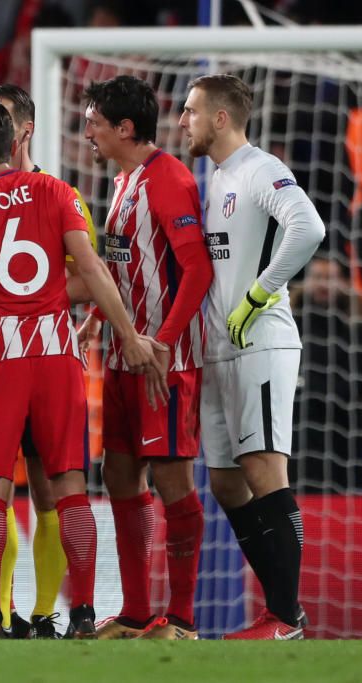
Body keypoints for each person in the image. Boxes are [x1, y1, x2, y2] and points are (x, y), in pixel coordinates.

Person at [0, 100, 161, 639]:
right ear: (14, 146)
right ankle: (80, 614)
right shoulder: (56, 192)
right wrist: (128, 334)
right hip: (56, 351)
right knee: (70, 486)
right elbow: (93, 267)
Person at [180, 74, 324, 639]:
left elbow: (308, 226)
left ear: (220, 118)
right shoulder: (218, 179)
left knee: (265, 471)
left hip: (260, 341)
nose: (183, 121)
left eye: (191, 111)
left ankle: (285, 616)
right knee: (225, 482)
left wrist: (261, 293)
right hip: (220, 350)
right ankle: (280, 612)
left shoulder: (261, 169)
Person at [76, 75, 212, 640]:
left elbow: (197, 269)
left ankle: (180, 618)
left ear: (125, 128)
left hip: (165, 361)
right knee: (120, 472)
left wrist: (163, 339)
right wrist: (99, 318)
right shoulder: (127, 179)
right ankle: (135, 612)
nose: (87, 133)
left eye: (95, 123)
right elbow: (125, 267)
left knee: (172, 479)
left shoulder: (169, 180)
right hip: (123, 356)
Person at [0, 82, 100, 639]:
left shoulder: (62, 195)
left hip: (42, 353)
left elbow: (88, 275)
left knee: (52, 485)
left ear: (24, 129)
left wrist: (38, 295)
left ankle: (47, 612)